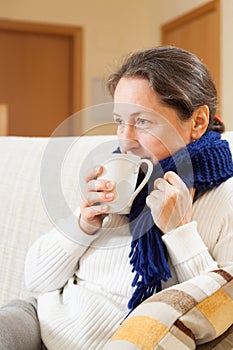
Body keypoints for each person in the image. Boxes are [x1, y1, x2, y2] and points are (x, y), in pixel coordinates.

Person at [0, 46, 233, 350]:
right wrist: (82, 223)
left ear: (198, 122)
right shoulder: (117, 173)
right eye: (120, 121)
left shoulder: (224, 197)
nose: (125, 139)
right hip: (40, 323)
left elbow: (219, 316)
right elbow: (37, 282)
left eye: (143, 122)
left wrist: (180, 231)